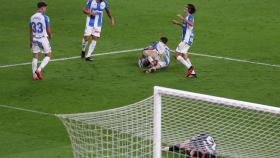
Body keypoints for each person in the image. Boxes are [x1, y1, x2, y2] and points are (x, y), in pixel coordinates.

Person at [172, 4, 197, 78]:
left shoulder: (190, 17)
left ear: (189, 9)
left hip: (186, 40)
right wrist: (177, 23)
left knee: (176, 55)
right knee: (184, 55)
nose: (184, 8)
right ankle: (193, 73)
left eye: (186, 7)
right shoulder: (187, 17)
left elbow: (191, 24)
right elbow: (185, 27)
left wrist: (182, 18)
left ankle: (190, 68)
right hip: (188, 40)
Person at [29, 1, 52, 80]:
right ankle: (38, 70)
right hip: (43, 39)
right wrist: (50, 36)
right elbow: (48, 30)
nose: (46, 9)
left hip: (35, 39)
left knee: (35, 56)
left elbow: (30, 31)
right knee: (48, 55)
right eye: (45, 8)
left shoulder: (31, 17)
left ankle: (34, 76)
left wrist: (30, 41)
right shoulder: (45, 17)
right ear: (42, 8)